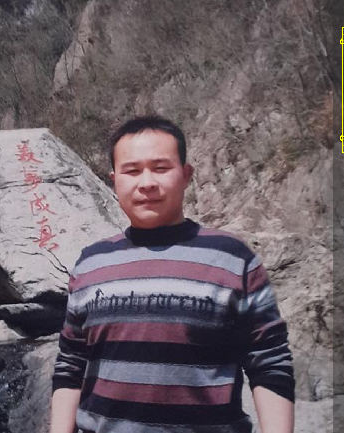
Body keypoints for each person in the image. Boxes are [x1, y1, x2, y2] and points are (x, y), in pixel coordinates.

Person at [50, 116, 295, 433]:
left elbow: (270, 362)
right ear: (114, 180)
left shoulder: (233, 258)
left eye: (161, 168)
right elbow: (70, 364)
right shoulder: (90, 263)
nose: (147, 182)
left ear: (186, 175)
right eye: (132, 171)